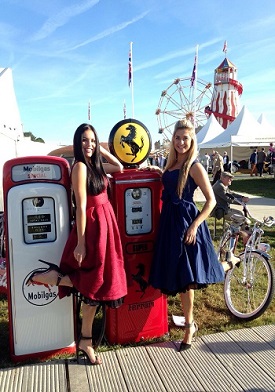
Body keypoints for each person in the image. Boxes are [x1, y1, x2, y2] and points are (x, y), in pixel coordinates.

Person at [27, 123, 127, 365]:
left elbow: (120, 167)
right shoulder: (80, 167)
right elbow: (81, 206)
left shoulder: (95, 165)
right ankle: (58, 282)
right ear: (76, 142)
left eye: (92, 140)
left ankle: (85, 339)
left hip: (105, 228)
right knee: (95, 282)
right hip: (92, 228)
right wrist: (81, 243)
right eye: (84, 140)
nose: (89, 145)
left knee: (101, 282)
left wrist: (101, 150)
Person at [148, 119, 240, 352]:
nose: (180, 142)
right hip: (169, 223)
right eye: (177, 138)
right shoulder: (171, 164)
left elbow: (210, 201)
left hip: (186, 224)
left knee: (187, 278)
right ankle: (229, 262)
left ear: (191, 141)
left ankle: (189, 326)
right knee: (178, 274)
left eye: (185, 138)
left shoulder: (195, 165)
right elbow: (170, 181)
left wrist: (195, 226)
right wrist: (158, 171)